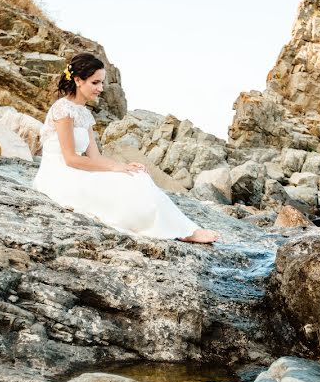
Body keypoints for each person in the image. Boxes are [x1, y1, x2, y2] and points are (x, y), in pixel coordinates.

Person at [33, 53, 219, 243]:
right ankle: (181, 231)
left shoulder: (85, 114)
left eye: (102, 83)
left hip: (77, 170)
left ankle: (183, 228)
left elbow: (95, 157)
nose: (101, 88)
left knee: (137, 176)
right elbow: (70, 158)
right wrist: (116, 168)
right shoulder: (62, 109)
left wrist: (124, 166)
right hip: (60, 176)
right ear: (78, 80)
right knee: (122, 190)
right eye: (95, 83)